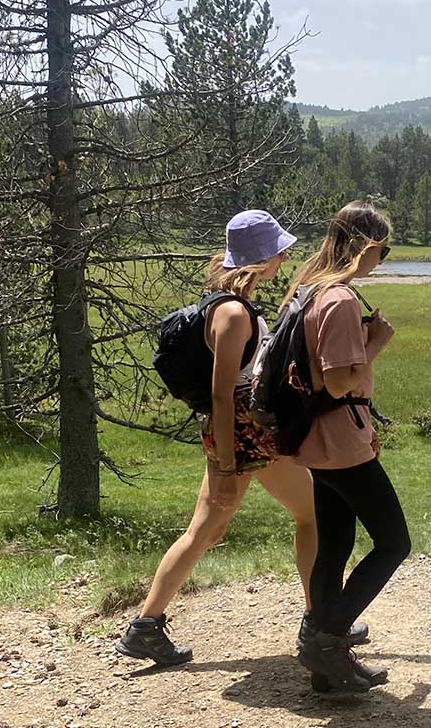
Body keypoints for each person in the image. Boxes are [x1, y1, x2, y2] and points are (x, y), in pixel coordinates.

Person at [117, 210, 316, 665]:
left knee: (206, 529)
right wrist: (227, 464)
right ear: (262, 256)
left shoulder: (222, 301)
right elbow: (222, 396)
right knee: (314, 515)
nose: (283, 260)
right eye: (279, 252)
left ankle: (145, 627)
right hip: (244, 434)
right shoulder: (231, 312)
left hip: (232, 433)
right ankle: (320, 620)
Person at [290, 201, 409, 693]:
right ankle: (326, 637)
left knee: (335, 544)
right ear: (365, 245)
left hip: (323, 439)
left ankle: (326, 663)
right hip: (339, 439)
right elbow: (338, 383)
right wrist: (377, 341)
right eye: (383, 249)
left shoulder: (308, 288)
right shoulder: (338, 299)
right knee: (393, 542)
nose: (382, 260)